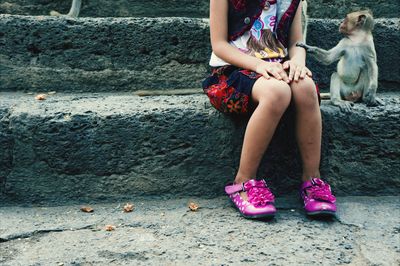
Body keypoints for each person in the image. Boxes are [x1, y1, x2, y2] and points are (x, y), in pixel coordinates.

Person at [202, 0, 336, 219]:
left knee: (306, 88)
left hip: (278, 66)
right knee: (278, 92)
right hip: (235, 70)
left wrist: (298, 63)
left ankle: (312, 180)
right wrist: (259, 65)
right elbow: (219, 45)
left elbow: (296, 43)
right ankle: (243, 181)